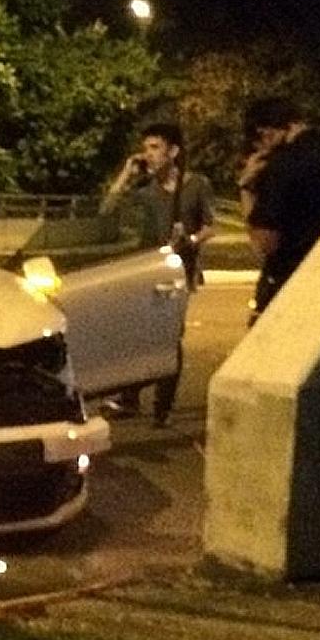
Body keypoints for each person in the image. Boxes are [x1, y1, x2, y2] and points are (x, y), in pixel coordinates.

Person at [99, 122, 215, 426]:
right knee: (136, 332)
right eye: (146, 148)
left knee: (169, 336)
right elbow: (107, 209)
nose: (148, 154)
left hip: (180, 273)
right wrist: (126, 173)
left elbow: (210, 225)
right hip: (146, 272)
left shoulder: (196, 185)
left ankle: (163, 407)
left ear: (173, 151)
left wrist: (190, 239)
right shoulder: (145, 191)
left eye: (155, 148)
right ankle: (130, 399)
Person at [245, 118, 320, 318]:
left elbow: (263, 243)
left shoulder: (282, 167)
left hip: (290, 274)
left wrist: (247, 186)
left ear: (268, 132)